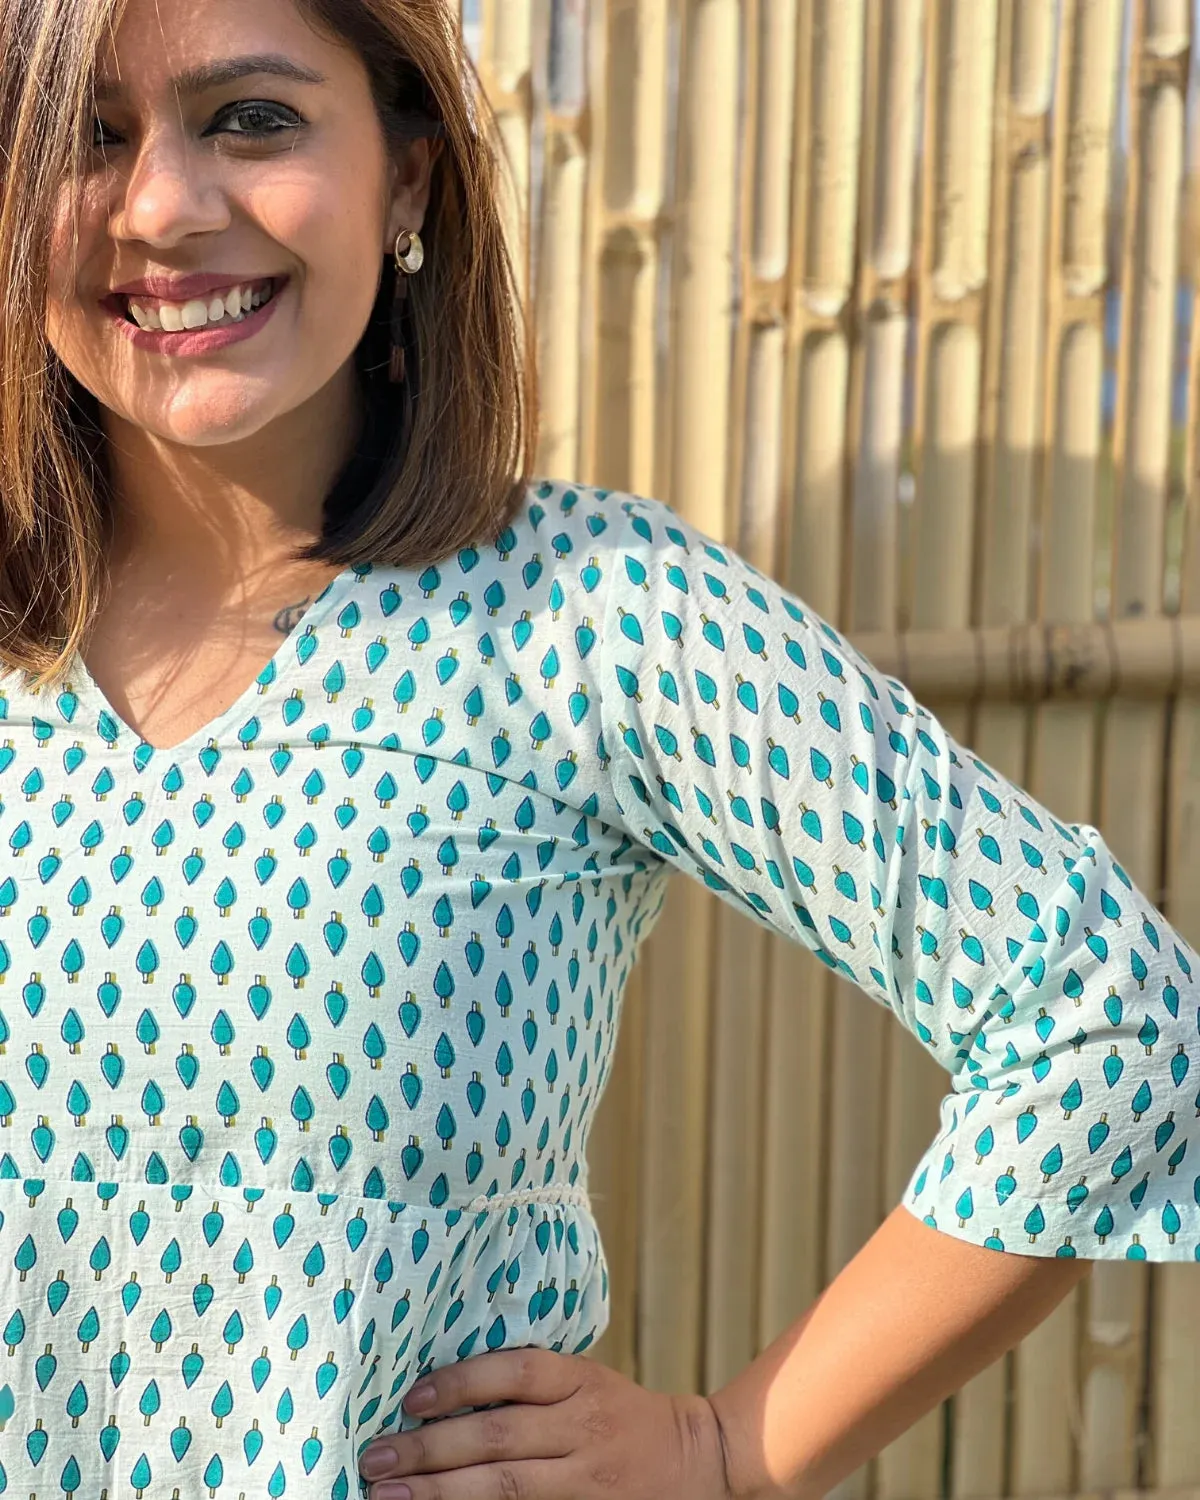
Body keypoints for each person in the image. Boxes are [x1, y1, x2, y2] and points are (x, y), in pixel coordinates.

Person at [0, 1, 1194, 1497]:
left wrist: (723, 1451)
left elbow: (1107, 1024)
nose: (164, 206)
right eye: (85, 135)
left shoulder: (590, 618)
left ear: (412, 179)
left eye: (253, 118)